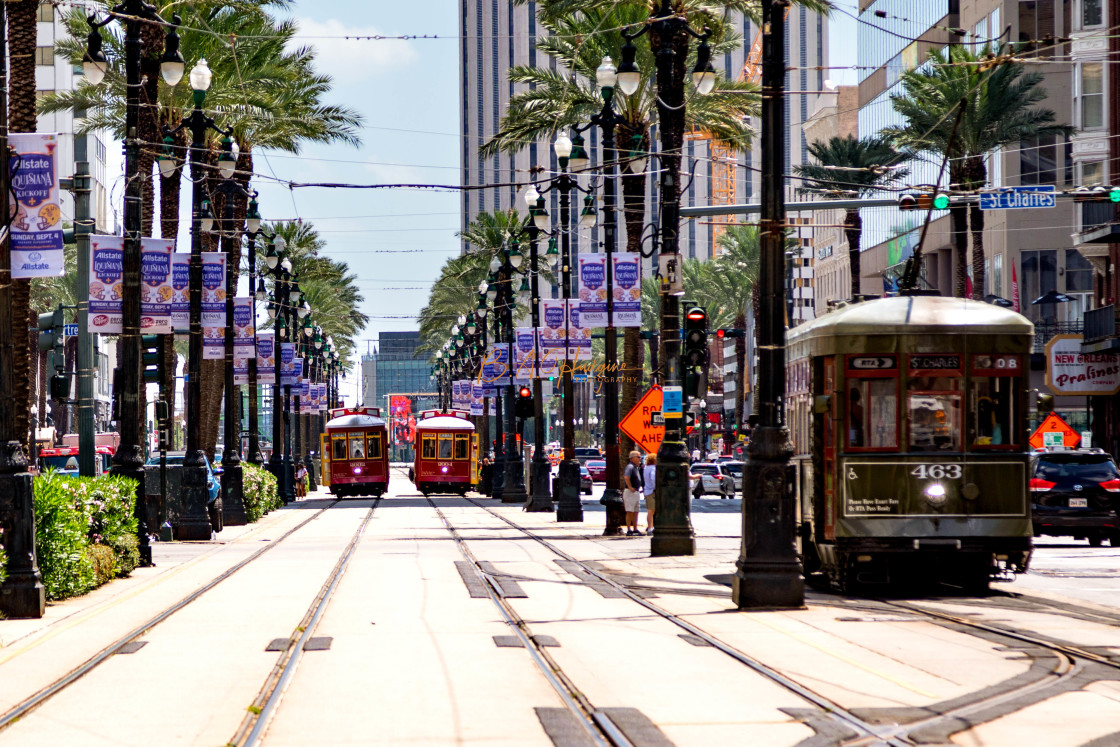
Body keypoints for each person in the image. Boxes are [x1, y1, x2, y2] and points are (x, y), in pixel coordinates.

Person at [622, 450, 644, 536]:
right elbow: (626, 477)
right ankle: (629, 529)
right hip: (630, 492)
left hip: (636, 492)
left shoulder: (636, 467)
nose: (640, 459)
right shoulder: (630, 467)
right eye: (638, 457)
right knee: (630, 511)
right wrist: (630, 487)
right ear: (632, 458)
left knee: (636, 511)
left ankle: (635, 528)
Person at [642, 453, 657, 535]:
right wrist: (656, 487)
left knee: (650, 511)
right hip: (652, 491)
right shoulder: (653, 468)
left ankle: (650, 526)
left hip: (647, 490)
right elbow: (653, 478)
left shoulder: (646, 468)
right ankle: (651, 528)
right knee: (651, 511)